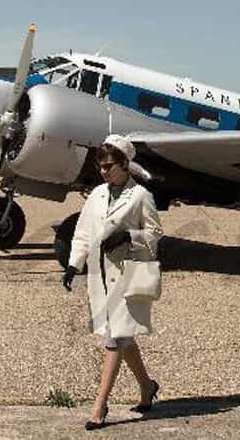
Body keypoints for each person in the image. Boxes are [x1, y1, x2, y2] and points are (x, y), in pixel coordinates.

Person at [62, 134, 163, 430]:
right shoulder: (96, 195)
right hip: (100, 275)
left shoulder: (141, 196)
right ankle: (147, 387)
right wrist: (72, 265)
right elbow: (82, 232)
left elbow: (155, 234)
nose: (103, 171)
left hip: (129, 275)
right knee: (123, 337)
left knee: (114, 340)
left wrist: (128, 236)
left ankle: (99, 406)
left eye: (109, 166)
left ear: (124, 164)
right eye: (100, 166)